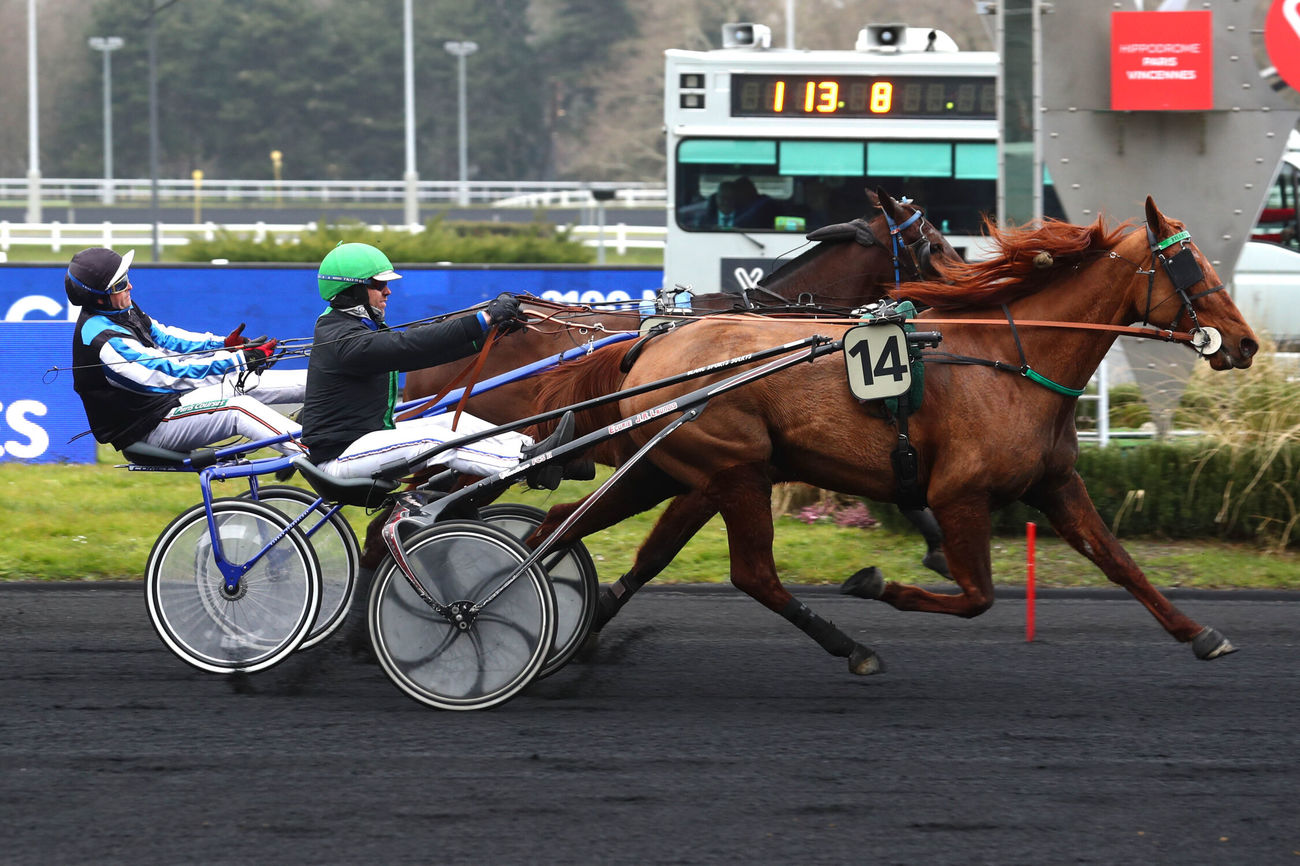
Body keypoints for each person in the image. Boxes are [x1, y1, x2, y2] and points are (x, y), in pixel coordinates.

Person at [298, 242, 574, 490]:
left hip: (366, 441)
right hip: (341, 458)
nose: (388, 291)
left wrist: (488, 334)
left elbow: (423, 355)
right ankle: (525, 464)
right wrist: (484, 319)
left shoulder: (353, 329)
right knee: (433, 441)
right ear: (354, 290)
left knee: (454, 422)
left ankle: (536, 450)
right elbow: (409, 346)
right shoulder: (342, 337)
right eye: (379, 285)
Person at [65, 246, 306, 457]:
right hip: (149, 428)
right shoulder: (104, 341)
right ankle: (315, 458)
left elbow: (165, 338)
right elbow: (172, 375)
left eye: (126, 277)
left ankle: (327, 400)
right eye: (120, 284)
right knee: (239, 408)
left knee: (248, 383)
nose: (130, 285)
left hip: (166, 405)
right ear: (98, 298)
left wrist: (222, 344)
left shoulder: (120, 309)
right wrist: (239, 361)